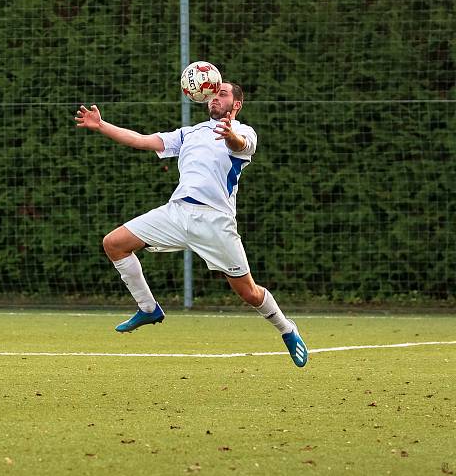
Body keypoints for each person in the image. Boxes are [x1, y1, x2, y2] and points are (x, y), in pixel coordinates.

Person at [73, 83, 308, 367]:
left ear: (237, 105)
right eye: (213, 93)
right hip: (177, 212)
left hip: (215, 222)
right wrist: (101, 126)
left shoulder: (245, 131)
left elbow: (241, 145)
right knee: (114, 244)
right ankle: (148, 308)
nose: (215, 98)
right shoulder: (189, 133)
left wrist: (230, 134)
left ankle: (286, 328)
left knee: (249, 292)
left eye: (223, 94)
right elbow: (142, 140)